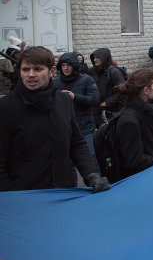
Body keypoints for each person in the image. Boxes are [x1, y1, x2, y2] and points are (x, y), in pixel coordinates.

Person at [0, 46, 109, 192]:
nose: (30, 74)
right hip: (26, 196)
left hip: (63, 191)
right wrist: (11, 197)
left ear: (51, 71)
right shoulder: (6, 107)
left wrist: (92, 175)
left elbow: (76, 143)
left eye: (37, 69)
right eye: (25, 69)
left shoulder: (64, 101)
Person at [111, 68, 153, 181]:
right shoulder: (129, 121)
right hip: (142, 182)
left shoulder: (148, 109)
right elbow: (135, 162)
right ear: (146, 90)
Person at [54, 52, 101, 178]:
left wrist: (75, 97)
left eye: (68, 65)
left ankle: (98, 183)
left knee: (90, 157)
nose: (65, 68)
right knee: (68, 163)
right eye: (63, 65)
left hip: (85, 127)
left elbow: (95, 99)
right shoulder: (55, 83)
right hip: (64, 128)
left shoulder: (86, 80)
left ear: (75, 66)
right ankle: (73, 188)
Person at [89, 48, 126, 128]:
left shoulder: (113, 72)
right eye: (94, 58)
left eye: (97, 57)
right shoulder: (94, 72)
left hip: (111, 110)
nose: (95, 60)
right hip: (98, 110)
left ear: (104, 58)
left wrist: (107, 102)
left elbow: (122, 90)